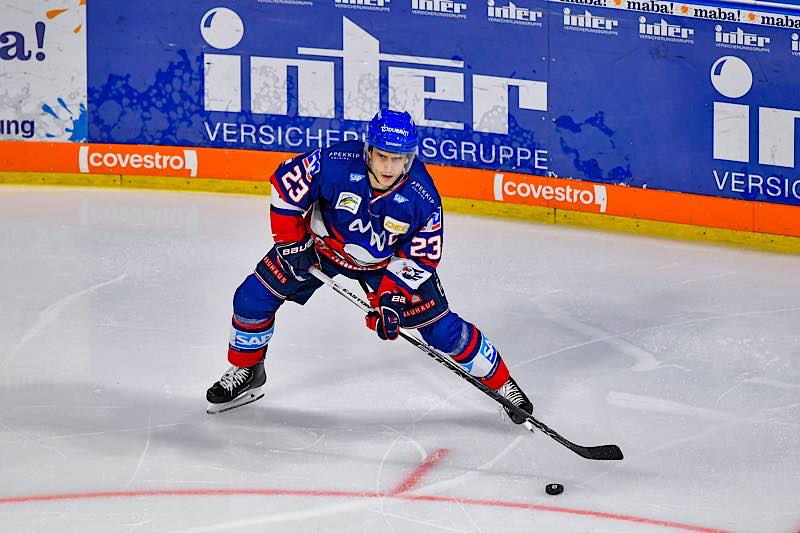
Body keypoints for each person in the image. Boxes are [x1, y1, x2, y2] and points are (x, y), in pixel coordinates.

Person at [206, 109, 533, 424]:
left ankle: (503, 385)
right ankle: (248, 369)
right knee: (251, 299)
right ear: (368, 151)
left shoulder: (423, 197)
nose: (389, 167)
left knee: (441, 329)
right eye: (382, 157)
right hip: (322, 248)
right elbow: (285, 188)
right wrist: (291, 244)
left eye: (398, 158)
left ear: (409, 157)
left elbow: (419, 258)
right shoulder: (334, 163)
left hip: (386, 266)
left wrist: (393, 301)